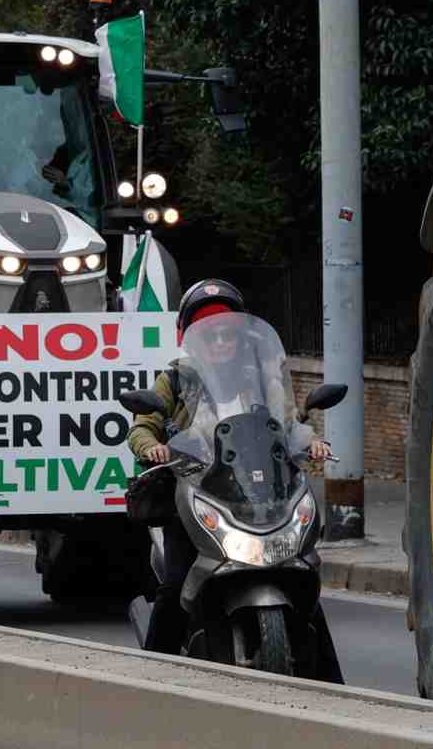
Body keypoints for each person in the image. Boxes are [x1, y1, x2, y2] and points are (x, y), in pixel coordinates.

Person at [127, 279, 329, 654]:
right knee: (174, 584)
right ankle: (151, 673)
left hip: (258, 495)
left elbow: (288, 423)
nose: (220, 342)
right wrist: (152, 447)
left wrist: (309, 442)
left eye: (227, 334)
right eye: (210, 336)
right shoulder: (174, 379)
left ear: (240, 336)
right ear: (193, 339)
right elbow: (142, 426)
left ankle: (333, 685)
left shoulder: (263, 378)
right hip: (196, 494)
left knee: (303, 574)